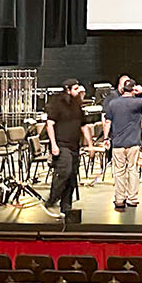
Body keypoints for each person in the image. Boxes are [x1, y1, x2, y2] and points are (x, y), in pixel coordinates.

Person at [101, 74, 142, 211]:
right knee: (133, 170)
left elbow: (107, 122)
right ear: (133, 89)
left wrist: (106, 138)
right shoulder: (138, 102)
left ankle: (119, 199)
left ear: (122, 89)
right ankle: (133, 199)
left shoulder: (113, 103)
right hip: (134, 143)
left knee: (119, 172)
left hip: (117, 143)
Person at [42, 78, 88, 216]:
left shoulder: (77, 105)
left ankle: (66, 205)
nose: (78, 91)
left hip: (75, 145)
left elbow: (83, 125)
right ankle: (52, 198)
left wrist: (90, 144)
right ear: (68, 90)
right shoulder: (58, 104)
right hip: (62, 145)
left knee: (72, 176)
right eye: (75, 89)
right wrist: (53, 145)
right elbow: (50, 124)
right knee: (65, 171)